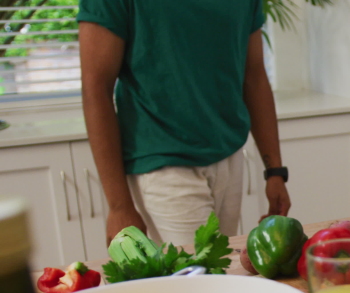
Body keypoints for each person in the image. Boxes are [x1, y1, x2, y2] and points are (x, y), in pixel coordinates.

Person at [78, 0, 291, 247]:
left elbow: (253, 74)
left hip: (229, 155)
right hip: (164, 164)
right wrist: (119, 206)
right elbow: (95, 88)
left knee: (219, 272)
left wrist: (275, 172)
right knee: (197, 280)